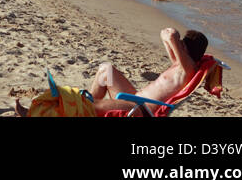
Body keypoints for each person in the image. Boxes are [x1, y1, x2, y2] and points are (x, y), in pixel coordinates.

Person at [17, 28, 210, 117]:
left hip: (140, 109)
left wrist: (175, 36)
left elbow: (170, 35)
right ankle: (84, 103)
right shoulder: (180, 64)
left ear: (186, 48)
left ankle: (32, 115)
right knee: (105, 70)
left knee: (90, 106)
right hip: (135, 98)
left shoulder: (187, 69)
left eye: (182, 44)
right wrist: (174, 38)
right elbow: (165, 36)